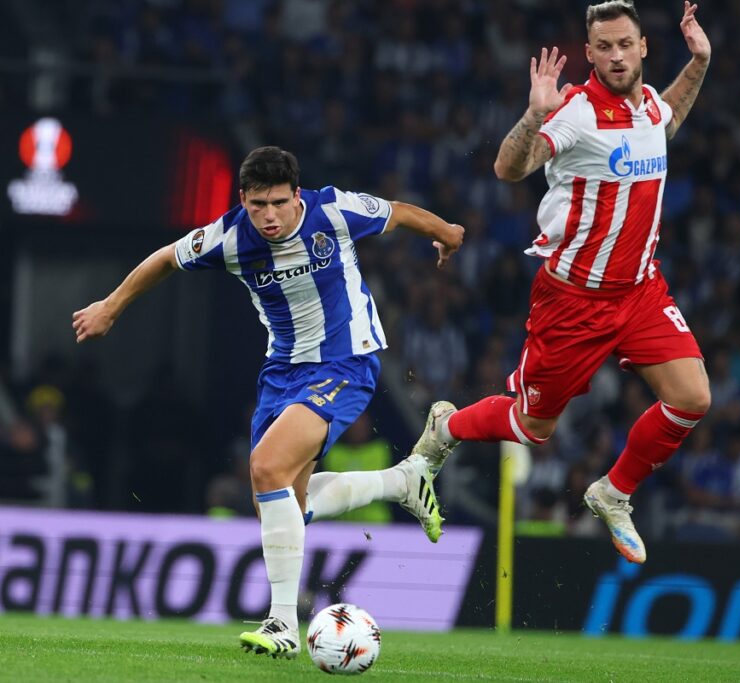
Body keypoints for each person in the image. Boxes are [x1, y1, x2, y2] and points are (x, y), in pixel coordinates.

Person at [72, 146, 463, 659]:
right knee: (278, 505)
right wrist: (111, 305)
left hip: (345, 362)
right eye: (259, 205)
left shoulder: (332, 211)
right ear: (244, 200)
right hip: (282, 372)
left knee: (265, 465)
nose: (270, 216)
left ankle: (282, 623)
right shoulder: (230, 236)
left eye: (279, 202)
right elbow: (166, 258)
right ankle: (403, 481)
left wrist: (446, 231)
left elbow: (399, 211)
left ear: (296, 196)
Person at [411, 0, 712, 564]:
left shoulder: (647, 105)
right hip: (574, 299)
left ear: (644, 47)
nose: (617, 56)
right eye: (605, 47)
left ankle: (613, 493)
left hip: (642, 291)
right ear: (590, 53)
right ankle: (446, 426)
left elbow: (665, 123)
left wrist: (699, 61)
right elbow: (509, 168)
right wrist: (533, 114)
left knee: (693, 397)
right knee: (532, 428)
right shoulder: (575, 111)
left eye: (626, 44)